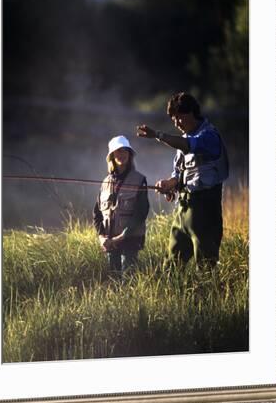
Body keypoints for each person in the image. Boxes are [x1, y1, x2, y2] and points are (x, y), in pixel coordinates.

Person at [137, 92, 229, 267]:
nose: (177, 123)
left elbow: (189, 146)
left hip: (205, 208)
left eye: (179, 118)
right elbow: (178, 174)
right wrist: (168, 184)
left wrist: (157, 134)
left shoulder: (209, 136)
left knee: (206, 264)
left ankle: (206, 294)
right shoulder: (183, 140)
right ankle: (172, 293)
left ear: (192, 112)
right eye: (173, 119)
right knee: (171, 263)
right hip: (184, 209)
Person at [93, 136, 149, 278]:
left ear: (130, 155)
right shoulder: (105, 182)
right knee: (114, 281)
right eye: (118, 151)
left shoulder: (139, 180)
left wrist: (121, 236)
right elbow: (97, 214)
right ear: (112, 156)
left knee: (128, 280)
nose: (122, 154)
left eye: (125, 151)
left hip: (130, 241)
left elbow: (141, 213)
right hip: (110, 242)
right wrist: (101, 237)